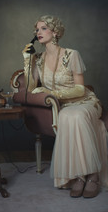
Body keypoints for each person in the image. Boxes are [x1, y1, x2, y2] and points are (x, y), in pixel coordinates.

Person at [22, 15, 108, 198]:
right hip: (65, 107)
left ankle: (92, 174)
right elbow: (30, 88)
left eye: (43, 28)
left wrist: (55, 95)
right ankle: (79, 176)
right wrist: (27, 60)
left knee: (76, 115)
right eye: (37, 30)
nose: (38, 32)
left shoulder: (71, 54)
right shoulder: (38, 59)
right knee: (67, 116)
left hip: (84, 102)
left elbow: (79, 89)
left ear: (55, 32)